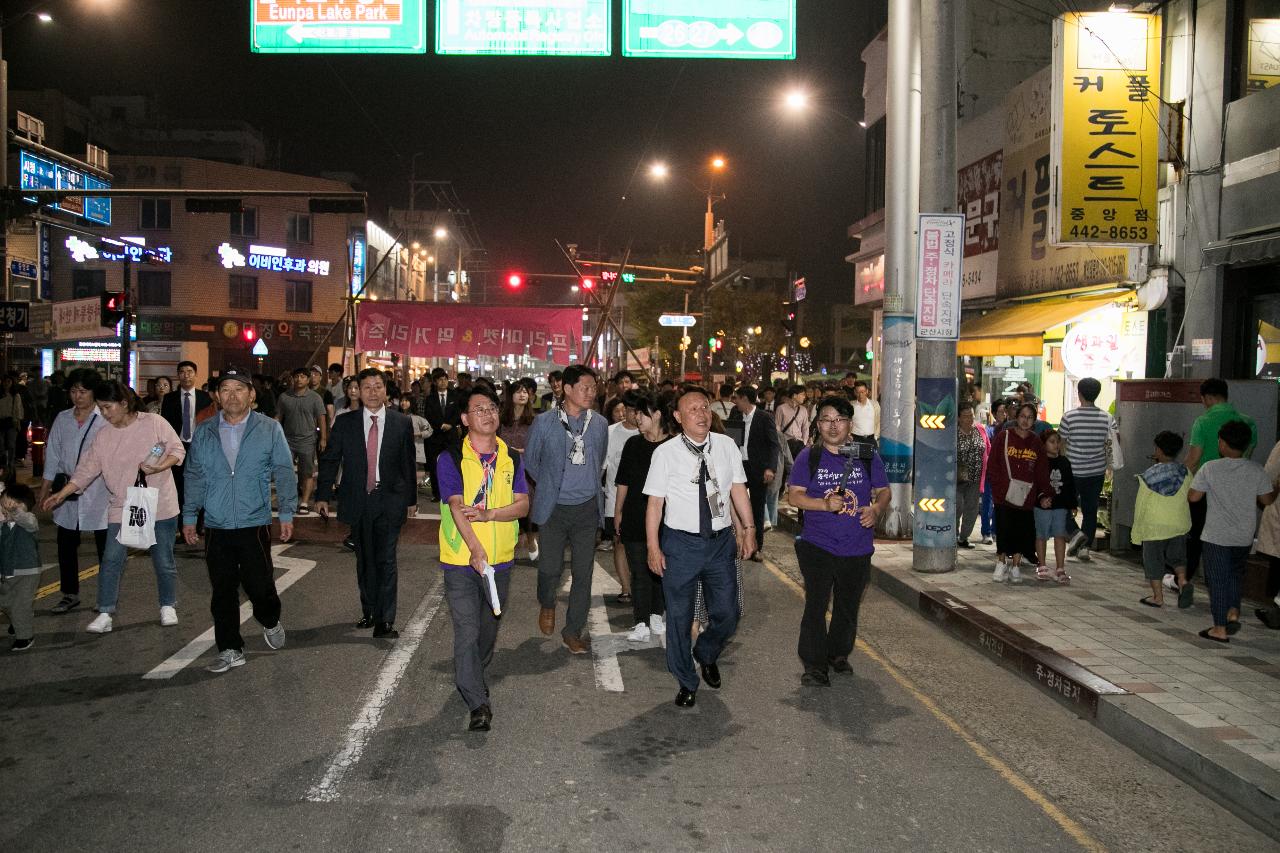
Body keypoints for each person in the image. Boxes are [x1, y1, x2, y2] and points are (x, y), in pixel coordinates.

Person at [644, 385, 755, 707]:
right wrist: (654, 547)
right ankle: (686, 680)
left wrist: (748, 529)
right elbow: (654, 505)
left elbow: (738, 489)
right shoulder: (664, 453)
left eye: (705, 407)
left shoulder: (725, 446)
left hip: (720, 542)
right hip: (680, 544)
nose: (701, 414)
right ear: (678, 417)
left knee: (728, 612)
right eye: (692, 409)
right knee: (679, 617)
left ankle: (706, 651)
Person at [43, 381, 185, 633]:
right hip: (122, 504)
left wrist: (160, 467)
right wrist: (61, 494)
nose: (104, 414)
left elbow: (177, 450)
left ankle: (167, 604)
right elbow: (86, 469)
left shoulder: (154, 422)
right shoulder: (104, 434)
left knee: (163, 559)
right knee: (110, 560)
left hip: (159, 502)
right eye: (101, 408)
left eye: (107, 407)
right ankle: (105, 611)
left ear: (124, 403)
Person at [181, 368, 297, 674]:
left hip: (253, 521)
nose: (232, 396)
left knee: (260, 586)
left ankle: (269, 619)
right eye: (226, 390)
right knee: (223, 590)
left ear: (251, 394)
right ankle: (231, 648)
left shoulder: (269, 428)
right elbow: (194, 475)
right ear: (218, 396)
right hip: (217, 524)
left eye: (239, 389)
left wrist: (286, 512)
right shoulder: (205, 431)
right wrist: (190, 515)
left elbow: (284, 470)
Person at [435, 385, 530, 732]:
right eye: (479, 409)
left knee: (487, 634)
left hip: (500, 561)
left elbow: (523, 504)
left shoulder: (512, 457)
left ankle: (474, 674)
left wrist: (490, 515)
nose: (488, 414)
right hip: (461, 560)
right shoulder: (450, 457)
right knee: (466, 630)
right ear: (464, 419)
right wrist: (475, 548)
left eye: (492, 408)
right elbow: (458, 508)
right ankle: (477, 702)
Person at [787, 396, 890, 686]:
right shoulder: (810, 456)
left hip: (857, 546)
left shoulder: (867, 453)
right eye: (826, 420)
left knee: (847, 605)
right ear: (818, 425)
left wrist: (876, 509)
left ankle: (837, 654)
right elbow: (794, 495)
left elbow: (883, 491)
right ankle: (814, 664)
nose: (833, 426)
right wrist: (823, 504)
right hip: (817, 544)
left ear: (850, 423)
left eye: (839, 419)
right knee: (816, 605)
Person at [316, 369, 418, 638]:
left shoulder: (401, 422)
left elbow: (408, 463)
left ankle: (385, 620)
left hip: (390, 499)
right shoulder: (345, 422)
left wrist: (411, 500)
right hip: (358, 499)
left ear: (386, 391)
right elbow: (330, 460)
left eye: (378, 386)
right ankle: (370, 610)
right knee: (365, 560)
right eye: (367, 387)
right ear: (357, 391)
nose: (373, 392)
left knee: (386, 559)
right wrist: (323, 495)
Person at [524, 365, 608, 654]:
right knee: (550, 569)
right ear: (567, 389)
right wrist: (549, 484)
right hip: (555, 509)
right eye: (584, 387)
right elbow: (531, 462)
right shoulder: (545, 422)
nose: (590, 393)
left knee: (583, 574)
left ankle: (573, 631)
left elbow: (600, 458)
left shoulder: (598, 424)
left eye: (593, 388)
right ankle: (547, 603)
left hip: (586, 509)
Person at [1189, 420, 1276, 643]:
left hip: (1216, 535)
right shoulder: (1256, 470)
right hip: (1244, 536)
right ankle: (1233, 611)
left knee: (1217, 580)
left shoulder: (1210, 468)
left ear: (1223, 444)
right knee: (1235, 575)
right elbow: (1267, 500)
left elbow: (1193, 497)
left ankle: (1219, 628)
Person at [37, 368, 109, 615]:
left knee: (105, 546)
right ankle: (70, 594)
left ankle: (106, 596)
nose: (77, 396)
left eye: (83, 391)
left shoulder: (104, 419)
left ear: (93, 393)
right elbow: (53, 455)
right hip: (66, 490)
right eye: (73, 391)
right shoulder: (63, 418)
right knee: (66, 544)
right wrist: (45, 489)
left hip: (99, 491)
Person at [1184, 378, 1258, 593]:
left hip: (1205, 489)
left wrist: (1181, 483)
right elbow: (1247, 456)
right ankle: (1227, 584)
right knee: (1232, 535)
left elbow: (1194, 459)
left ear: (1207, 398)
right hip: (1239, 490)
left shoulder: (1203, 422)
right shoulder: (1248, 422)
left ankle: (1186, 579)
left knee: (1197, 534)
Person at [615, 391, 671, 643]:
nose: (637, 418)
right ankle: (640, 621)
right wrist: (618, 511)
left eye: (642, 413)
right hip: (635, 515)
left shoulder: (674, 446)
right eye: (635, 413)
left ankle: (657, 614)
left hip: (666, 517)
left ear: (657, 414)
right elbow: (623, 482)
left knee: (661, 569)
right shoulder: (633, 445)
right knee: (639, 570)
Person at [986, 402, 1051, 585]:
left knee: (1021, 531)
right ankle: (1001, 563)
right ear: (1017, 417)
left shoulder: (1036, 442)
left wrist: (1044, 493)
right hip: (1004, 495)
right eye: (1023, 416)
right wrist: (999, 488)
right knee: (1004, 528)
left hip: (1026, 496)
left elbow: (1041, 470)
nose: (1025, 420)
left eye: (1030, 417)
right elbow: (993, 464)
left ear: (1034, 420)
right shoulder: (1004, 437)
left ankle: (1016, 566)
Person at [1131, 431, 1192, 609]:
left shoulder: (1148, 475)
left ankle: (1157, 597)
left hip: (1154, 526)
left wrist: (1137, 532)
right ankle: (1182, 580)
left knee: (1153, 561)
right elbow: (1190, 494)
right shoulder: (1186, 472)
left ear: (1158, 450)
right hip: (1178, 524)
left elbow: (1141, 505)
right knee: (1178, 557)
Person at [1059, 378, 1113, 564]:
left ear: (1079, 393)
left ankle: (1075, 534)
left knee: (1062, 506)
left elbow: (1062, 445)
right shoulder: (1107, 418)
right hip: (1096, 471)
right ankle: (1085, 548)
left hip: (1072, 471)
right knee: (1090, 510)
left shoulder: (1069, 417)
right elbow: (1111, 444)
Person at [728, 385, 780, 561]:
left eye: (737, 398)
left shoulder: (764, 417)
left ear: (745, 399)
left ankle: (756, 548)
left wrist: (770, 468)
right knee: (734, 505)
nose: (735, 402)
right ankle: (737, 542)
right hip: (737, 467)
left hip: (757, 468)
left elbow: (774, 445)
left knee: (756, 508)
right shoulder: (735, 414)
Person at [160, 361, 212, 525]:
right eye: (182, 372)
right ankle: (183, 524)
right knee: (180, 486)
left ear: (196, 375)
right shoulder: (169, 399)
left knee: (202, 482)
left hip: (199, 446)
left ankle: (201, 522)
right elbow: (165, 425)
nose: (186, 375)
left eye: (189, 371)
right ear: (178, 376)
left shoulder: (205, 397)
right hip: (178, 446)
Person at [276, 367, 328, 514]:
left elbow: (321, 418)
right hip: (288, 440)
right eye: (296, 376)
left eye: (303, 377)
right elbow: (278, 417)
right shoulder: (284, 397)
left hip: (308, 441)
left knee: (307, 473)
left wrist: (323, 438)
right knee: (285, 472)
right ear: (292, 378)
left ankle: (304, 502)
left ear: (308, 379)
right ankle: (287, 501)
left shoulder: (315, 398)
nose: (299, 379)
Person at [602, 396, 638, 600]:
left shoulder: (648, 433)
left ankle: (640, 584)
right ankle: (626, 587)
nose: (632, 414)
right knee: (620, 542)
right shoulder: (611, 432)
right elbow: (602, 467)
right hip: (615, 497)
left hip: (642, 499)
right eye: (629, 410)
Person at [499, 380, 538, 559]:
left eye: (525, 392)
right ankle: (507, 543)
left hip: (526, 467)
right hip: (503, 467)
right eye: (518, 392)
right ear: (510, 396)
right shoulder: (501, 419)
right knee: (505, 504)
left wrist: (518, 452)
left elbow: (538, 447)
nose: (522, 394)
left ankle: (530, 538)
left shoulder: (534, 420)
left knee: (527, 505)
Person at [0, 483, 41, 651]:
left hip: (27, 573)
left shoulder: (29, 521)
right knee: (5, 602)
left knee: (19, 606)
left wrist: (17, 512)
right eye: (3, 506)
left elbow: (28, 521)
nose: (5, 510)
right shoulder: (3, 526)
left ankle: (25, 637)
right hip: (7, 572)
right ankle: (18, 622)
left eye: (9, 507)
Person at [1033, 429, 1075, 584]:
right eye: (1051, 442)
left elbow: (1070, 484)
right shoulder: (1039, 462)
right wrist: (1041, 498)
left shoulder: (1064, 462)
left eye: (1057, 441)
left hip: (1060, 505)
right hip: (1042, 505)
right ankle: (1042, 565)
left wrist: (1072, 504)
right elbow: (1035, 484)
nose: (1056, 445)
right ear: (1043, 445)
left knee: (1060, 535)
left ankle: (1060, 568)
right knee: (1041, 534)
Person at [424, 369, 461, 502]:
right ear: (435, 382)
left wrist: (450, 424)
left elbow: (458, 413)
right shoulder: (430, 398)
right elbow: (428, 415)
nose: (443, 382)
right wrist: (440, 425)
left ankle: (453, 492)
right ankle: (437, 493)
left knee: (453, 464)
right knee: (435, 465)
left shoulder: (454, 396)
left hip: (451, 436)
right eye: (440, 380)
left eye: (445, 379)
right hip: (436, 437)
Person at [955, 402, 989, 549]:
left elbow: (987, 448)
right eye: (965, 416)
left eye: (971, 416)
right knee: (958, 506)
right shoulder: (953, 433)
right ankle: (952, 535)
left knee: (972, 509)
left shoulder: (980, 429)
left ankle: (964, 537)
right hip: (956, 478)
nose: (969, 419)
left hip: (975, 477)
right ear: (958, 418)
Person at [0, 375, 25, 470]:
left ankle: (10, 463)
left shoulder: (15, 395)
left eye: (9, 381)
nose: (6, 383)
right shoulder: (1, 394)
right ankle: (3, 462)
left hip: (11, 421)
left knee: (11, 444)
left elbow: (18, 410)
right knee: (1, 444)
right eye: (5, 381)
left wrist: (17, 421)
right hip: (1, 420)